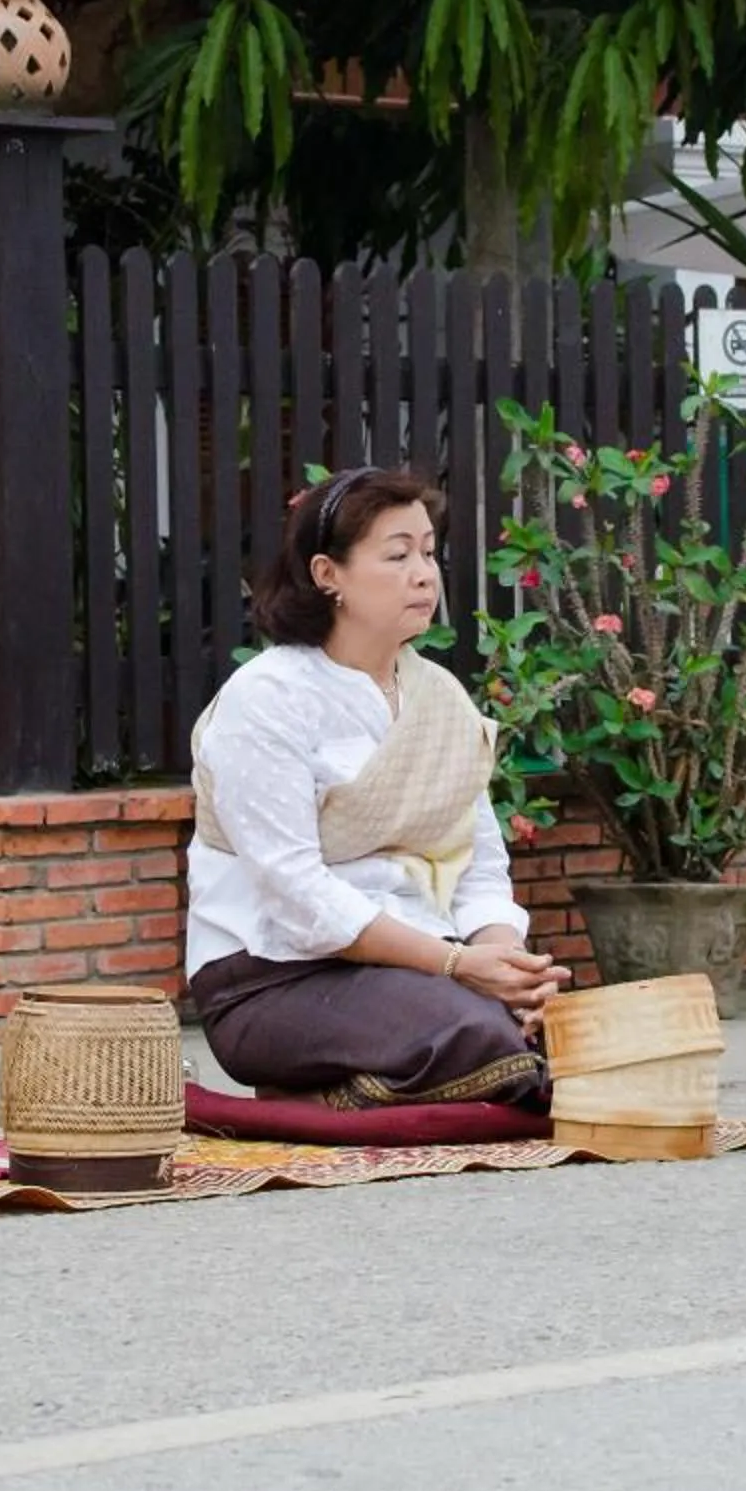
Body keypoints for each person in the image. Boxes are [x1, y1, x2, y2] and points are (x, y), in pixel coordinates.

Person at [186, 467, 567, 1110]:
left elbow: (474, 865)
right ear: (327, 574)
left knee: (559, 1032)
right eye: (397, 555)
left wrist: (506, 963)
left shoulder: (439, 699)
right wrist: (457, 969)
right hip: (272, 981)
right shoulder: (268, 700)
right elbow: (300, 894)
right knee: (481, 1038)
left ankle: (359, 1090)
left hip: (416, 970)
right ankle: (316, 1096)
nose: (424, 573)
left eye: (428, 552)